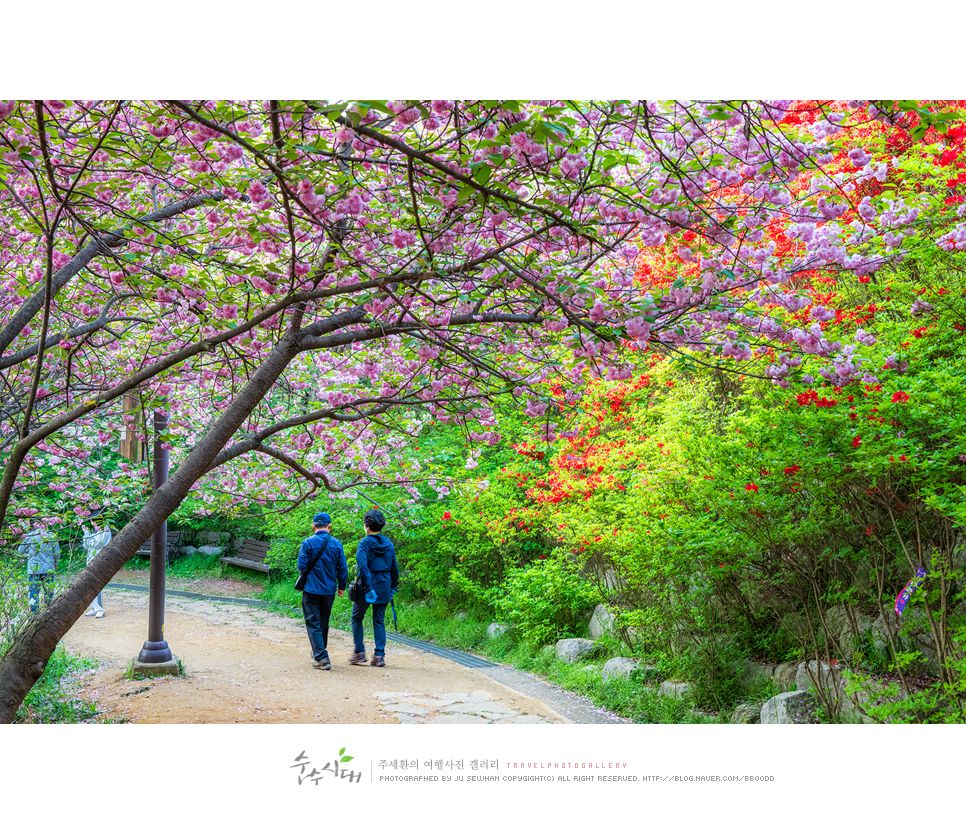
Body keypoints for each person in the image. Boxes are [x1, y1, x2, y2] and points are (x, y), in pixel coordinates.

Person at [297, 511, 347, 670]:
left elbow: (301, 567)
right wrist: (341, 586)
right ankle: (320, 651)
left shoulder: (307, 543)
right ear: (329, 526)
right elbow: (343, 568)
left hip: (311, 589)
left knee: (313, 621)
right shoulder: (337, 544)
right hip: (329, 590)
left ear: (313, 527)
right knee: (323, 621)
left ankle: (321, 657)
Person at [349, 509, 399, 668]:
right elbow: (394, 568)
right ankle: (379, 656)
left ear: (367, 527)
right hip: (384, 585)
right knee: (379, 620)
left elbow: (363, 568)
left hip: (366, 587)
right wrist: (392, 587)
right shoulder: (388, 544)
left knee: (356, 618)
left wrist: (368, 587)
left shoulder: (364, 543)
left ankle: (359, 652)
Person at [19, 523, 60, 614]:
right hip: (48, 568)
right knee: (49, 592)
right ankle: (47, 612)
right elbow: (56, 553)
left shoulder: (29, 536)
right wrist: (55, 563)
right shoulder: (52, 536)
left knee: (33, 593)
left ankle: (34, 614)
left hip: (33, 569)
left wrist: (27, 552)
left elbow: (20, 550)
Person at [82, 509, 112, 618]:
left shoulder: (105, 530)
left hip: (100, 561)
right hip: (90, 560)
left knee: (97, 586)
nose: (92, 523)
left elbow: (97, 544)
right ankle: (94, 608)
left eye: (93, 521)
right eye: (91, 521)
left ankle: (100, 609)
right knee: (89, 585)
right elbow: (86, 546)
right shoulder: (94, 532)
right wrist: (87, 534)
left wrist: (87, 534)